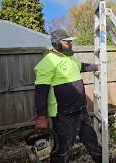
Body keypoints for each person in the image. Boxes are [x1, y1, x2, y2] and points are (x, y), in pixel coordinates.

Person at [33, 29, 102, 163]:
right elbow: (41, 91)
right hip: (64, 114)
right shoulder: (47, 62)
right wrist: (41, 116)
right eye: (67, 42)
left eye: (71, 41)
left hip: (81, 109)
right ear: (56, 43)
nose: (70, 44)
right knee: (63, 150)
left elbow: (81, 66)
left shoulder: (69, 58)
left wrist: (97, 67)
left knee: (92, 140)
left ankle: (104, 160)